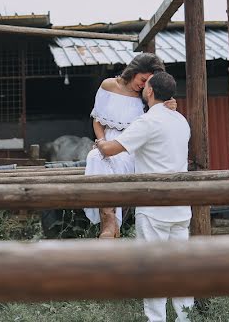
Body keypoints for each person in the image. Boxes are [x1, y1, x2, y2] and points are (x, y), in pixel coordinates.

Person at [96, 71, 193, 322]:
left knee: (152, 270)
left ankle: (156, 320)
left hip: (154, 208)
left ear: (149, 92)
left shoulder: (147, 123)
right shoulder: (181, 120)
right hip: (181, 207)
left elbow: (110, 149)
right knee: (181, 270)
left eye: (145, 86)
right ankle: (186, 318)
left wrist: (98, 141)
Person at [84, 53, 174, 238]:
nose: (144, 85)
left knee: (120, 162)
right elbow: (97, 120)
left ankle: (110, 225)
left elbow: (158, 120)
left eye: (149, 81)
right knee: (94, 157)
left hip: (133, 146)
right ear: (133, 71)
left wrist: (168, 106)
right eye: (143, 79)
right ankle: (108, 219)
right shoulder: (108, 85)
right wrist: (102, 141)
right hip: (107, 141)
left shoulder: (149, 96)